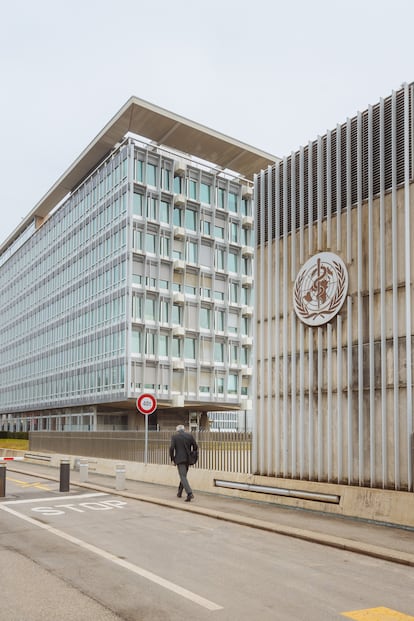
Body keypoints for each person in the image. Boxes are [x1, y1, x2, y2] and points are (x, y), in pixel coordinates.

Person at [169, 424, 198, 502]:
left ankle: (189, 493)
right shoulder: (189, 436)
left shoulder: (175, 437)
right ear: (184, 430)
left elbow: (171, 448)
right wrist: (192, 454)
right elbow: (195, 446)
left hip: (179, 459)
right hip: (188, 459)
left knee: (182, 476)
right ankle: (179, 492)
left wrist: (172, 458)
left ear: (177, 431)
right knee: (183, 475)